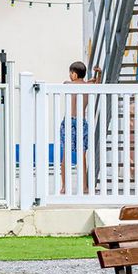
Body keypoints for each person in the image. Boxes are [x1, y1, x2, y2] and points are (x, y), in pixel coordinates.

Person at [60, 60, 92, 195]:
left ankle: (64, 187)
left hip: (69, 122)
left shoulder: (69, 85)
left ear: (74, 74)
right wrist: (98, 76)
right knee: (82, 156)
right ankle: (84, 186)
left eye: (70, 73)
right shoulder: (88, 86)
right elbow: (97, 84)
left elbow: (65, 83)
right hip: (81, 122)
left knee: (65, 155)